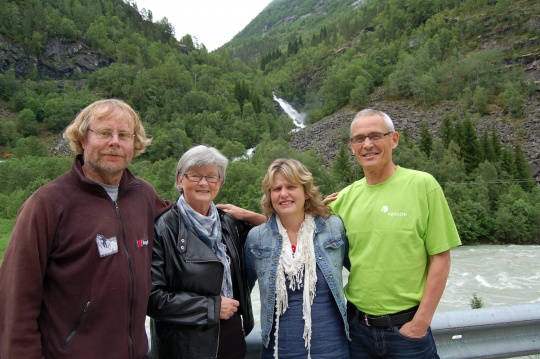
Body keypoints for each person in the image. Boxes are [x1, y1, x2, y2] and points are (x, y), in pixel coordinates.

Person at [0, 99, 173, 358]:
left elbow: (185, 217)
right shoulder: (48, 203)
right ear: (83, 139)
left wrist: (251, 219)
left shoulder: (144, 195)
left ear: (134, 145)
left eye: (124, 135)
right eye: (104, 133)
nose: (115, 142)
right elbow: (16, 299)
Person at [325, 109, 461, 358]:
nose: (367, 145)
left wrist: (420, 323)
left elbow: (441, 258)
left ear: (394, 139)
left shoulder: (424, 186)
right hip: (357, 331)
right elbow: (299, 230)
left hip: (407, 332)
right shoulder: (342, 200)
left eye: (376, 135)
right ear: (351, 146)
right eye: (359, 138)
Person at [147, 145, 258, 359]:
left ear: (220, 183)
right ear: (181, 180)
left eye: (211, 177)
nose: (204, 183)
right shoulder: (162, 228)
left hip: (232, 340)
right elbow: (151, 298)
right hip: (184, 348)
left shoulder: (231, 223)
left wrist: (252, 216)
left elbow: (276, 233)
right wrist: (211, 308)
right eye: (196, 176)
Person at [245, 158, 350, 359]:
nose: (284, 194)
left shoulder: (333, 227)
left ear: (305, 190)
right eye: (276, 189)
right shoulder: (256, 238)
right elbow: (241, 291)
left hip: (333, 349)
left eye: (291, 186)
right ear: (269, 195)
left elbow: (361, 272)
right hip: (278, 351)